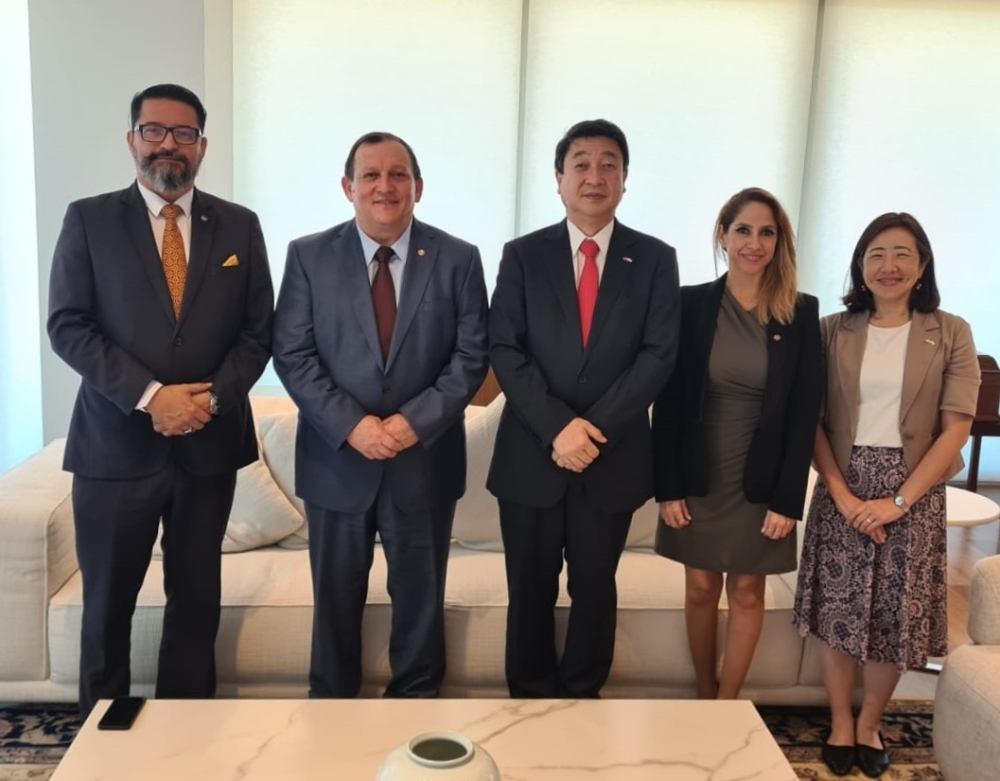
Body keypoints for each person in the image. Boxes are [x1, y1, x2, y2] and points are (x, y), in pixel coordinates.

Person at [47, 83, 275, 718]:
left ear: (202, 145)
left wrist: (207, 402)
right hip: (113, 449)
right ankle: (104, 736)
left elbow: (258, 333)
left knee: (197, 601)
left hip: (209, 446)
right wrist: (151, 397)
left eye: (184, 133)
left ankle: (185, 732)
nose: (168, 144)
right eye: (154, 130)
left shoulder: (239, 224)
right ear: (132, 140)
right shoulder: (89, 219)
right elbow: (68, 325)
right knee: (107, 605)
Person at [272, 132, 489, 699]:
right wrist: (355, 426)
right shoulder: (308, 256)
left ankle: (415, 713)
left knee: (420, 604)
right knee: (335, 603)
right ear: (349, 187)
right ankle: (332, 713)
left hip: (424, 462)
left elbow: (470, 357)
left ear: (419, 187)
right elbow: (292, 354)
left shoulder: (459, 258)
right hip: (337, 462)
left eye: (398, 175)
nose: (384, 187)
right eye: (370, 175)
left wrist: (412, 423)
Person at [488, 119, 680, 698]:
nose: (595, 176)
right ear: (559, 178)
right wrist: (558, 428)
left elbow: (658, 354)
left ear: (624, 178)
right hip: (532, 454)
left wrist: (589, 431)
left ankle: (581, 700)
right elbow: (505, 348)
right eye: (581, 164)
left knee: (595, 589)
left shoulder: (655, 258)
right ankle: (528, 700)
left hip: (611, 456)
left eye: (608, 164)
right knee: (529, 588)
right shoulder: (523, 255)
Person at [793, 213, 980, 778]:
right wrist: (842, 495)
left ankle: (870, 723)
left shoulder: (951, 331)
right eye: (875, 254)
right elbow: (811, 420)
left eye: (902, 254)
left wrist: (897, 502)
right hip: (842, 484)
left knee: (894, 615)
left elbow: (956, 429)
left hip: (914, 490)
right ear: (860, 265)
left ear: (922, 266)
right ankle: (839, 722)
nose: (888, 266)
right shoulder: (829, 330)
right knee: (838, 609)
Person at [652, 187, 821, 701]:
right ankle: (705, 695)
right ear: (723, 235)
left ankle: (727, 704)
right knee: (701, 587)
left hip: (762, 479)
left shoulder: (800, 313)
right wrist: (668, 487)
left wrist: (788, 499)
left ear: (779, 242)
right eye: (743, 230)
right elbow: (669, 403)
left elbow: (804, 414)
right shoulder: (689, 304)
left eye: (767, 232)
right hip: (699, 472)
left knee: (747, 590)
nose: (755, 242)